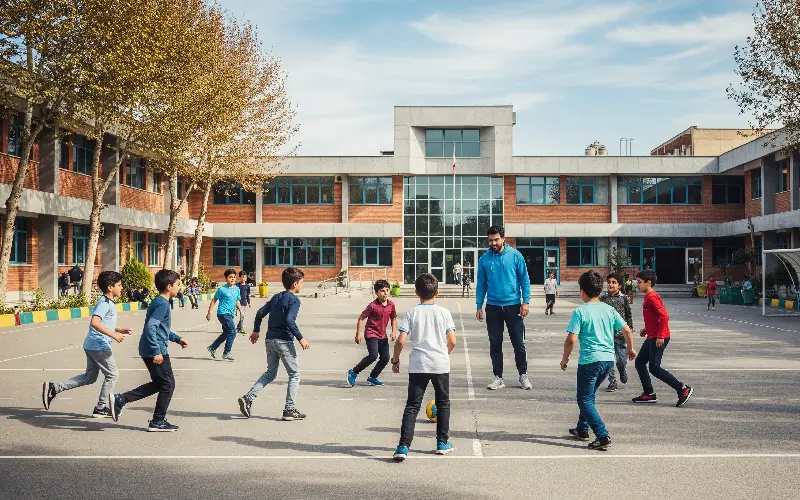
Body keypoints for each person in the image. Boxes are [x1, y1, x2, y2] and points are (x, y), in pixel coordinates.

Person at [561, 271, 636, 451]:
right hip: (607, 360)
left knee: (584, 399)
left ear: (582, 292)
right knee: (590, 395)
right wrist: (631, 348)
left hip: (590, 361)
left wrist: (565, 359)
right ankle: (582, 429)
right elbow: (627, 330)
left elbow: (571, 339)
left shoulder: (580, 311)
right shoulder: (608, 309)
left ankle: (602, 435)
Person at [42, 271, 132, 417]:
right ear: (110, 287)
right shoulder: (105, 303)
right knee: (112, 375)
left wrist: (120, 329)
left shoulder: (107, 302)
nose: (121, 288)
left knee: (90, 377)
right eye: (119, 285)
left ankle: (55, 387)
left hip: (92, 344)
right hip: (99, 345)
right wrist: (114, 335)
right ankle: (101, 407)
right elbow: (95, 322)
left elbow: (104, 322)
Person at [109, 269, 189, 431]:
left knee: (160, 383)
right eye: (178, 284)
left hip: (150, 347)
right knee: (168, 384)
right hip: (155, 349)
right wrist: (156, 351)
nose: (180, 287)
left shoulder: (159, 301)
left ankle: (121, 399)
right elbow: (151, 327)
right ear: (168, 286)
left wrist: (176, 338)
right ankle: (157, 421)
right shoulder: (162, 304)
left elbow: (159, 328)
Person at [391, 273, 456, 461]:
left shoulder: (412, 313)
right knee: (443, 403)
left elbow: (400, 341)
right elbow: (452, 340)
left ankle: (403, 446)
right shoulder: (444, 312)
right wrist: (444, 353)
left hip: (418, 363)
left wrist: (395, 360)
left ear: (416, 292)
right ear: (437, 292)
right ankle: (442, 443)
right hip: (439, 363)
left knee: (412, 405)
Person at [237, 267, 309, 421]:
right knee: (294, 375)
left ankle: (248, 398)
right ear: (295, 283)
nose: (302, 285)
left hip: (270, 340)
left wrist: (256, 330)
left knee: (271, 373)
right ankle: (289, 409)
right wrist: (300, 338)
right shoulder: (295, 300)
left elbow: (259, 313)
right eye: (302, 282)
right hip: (284, 340)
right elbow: (290, 320)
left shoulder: (276, 297)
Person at [475, 225, 532, 391]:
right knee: (495, 344)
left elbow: (524, 280)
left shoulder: (515, 256)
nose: (493, 243)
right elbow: (481, 284)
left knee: (518, 343)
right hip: (492, 307)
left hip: (513, 306)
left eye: (496, 239)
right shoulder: (484, 259)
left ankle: (523, 375)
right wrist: (479, 305)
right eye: (490, 240)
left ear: (503, 239)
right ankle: (498, 377)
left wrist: (525, 301)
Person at [632, 269, 694, 407]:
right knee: (640, 362)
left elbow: (664, 316)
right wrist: (646, 329)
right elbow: (655, 318)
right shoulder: (648, 297)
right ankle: (649, 393)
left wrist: (660, 336)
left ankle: (683, 389)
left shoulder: (652, 297)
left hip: (659, 338)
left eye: (639, 282)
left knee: (654, 367)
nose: (637, 285)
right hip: (652, 336)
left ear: (649, 282)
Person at [346, 279, 398, 388]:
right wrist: (358, 334)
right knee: (373, 355)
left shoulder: (391, 305)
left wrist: (393, 332)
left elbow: (393, 318)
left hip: (382, 335)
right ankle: (353, 372)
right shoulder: (373, 306)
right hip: (371, 333)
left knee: (385, 358)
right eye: (382, 291)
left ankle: (372, 377)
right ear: (376, 293)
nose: (386, 293)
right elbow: (361, 318)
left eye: (387, 290)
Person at [600, 273, 634, 392]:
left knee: (621, 360)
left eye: (614, 282)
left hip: (621, 336)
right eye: (609, 282)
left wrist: (630, 329)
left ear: (619, 286)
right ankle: (612, 381)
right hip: (607, 335)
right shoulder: (603, 299)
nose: (611, 284)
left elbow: (628, 315)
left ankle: (622, 370)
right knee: (609, 360)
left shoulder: (624, 298)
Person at [206, 269, 243, 361]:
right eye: (230, 277)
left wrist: (241, 310)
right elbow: (214, 300)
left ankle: (212, 348)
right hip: (223, 313)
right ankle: (227, 352)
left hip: (230, 314)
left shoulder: (237, 289)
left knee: (226, 333)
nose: (232, 279)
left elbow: (237, 300)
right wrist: (209, 312)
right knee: (233, 332)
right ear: (226, 278)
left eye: (234, 277)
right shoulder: (222, 289)